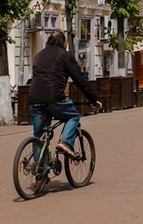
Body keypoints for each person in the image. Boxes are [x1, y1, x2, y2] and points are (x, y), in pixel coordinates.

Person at [28, 30, 101, 158]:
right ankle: (66, 142)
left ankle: (39, 172)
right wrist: (93, 99)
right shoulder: (65, 55)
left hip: (34, 99)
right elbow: (79, 80)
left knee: (39, 135)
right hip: (55, 98)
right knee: (72, 116)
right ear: (63, 42)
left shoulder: (39, 55)